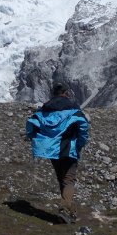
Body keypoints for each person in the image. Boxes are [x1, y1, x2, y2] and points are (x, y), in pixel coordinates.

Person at [25, 83, 90, 222]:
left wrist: (32, 137)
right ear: (66, 92)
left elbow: (31, 122)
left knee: (62, 178)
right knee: (69, 179)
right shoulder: (72, 108)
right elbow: (83, 125)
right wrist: (80, 143)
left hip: (51, 150)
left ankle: (69, 212)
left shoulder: (44, 108)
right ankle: (65, 208)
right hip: (67, 147)